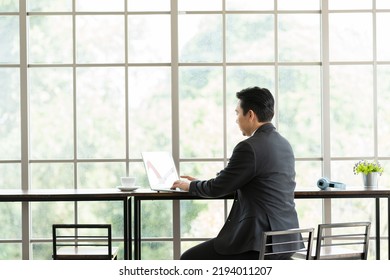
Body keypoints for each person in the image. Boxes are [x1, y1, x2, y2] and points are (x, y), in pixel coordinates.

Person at [172, 86, 302, 260]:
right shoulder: (284, 144)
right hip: (286, 241)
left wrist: (191, 186)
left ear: (250, 115)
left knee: (189, 259)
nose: (236, 119)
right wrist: (201, 182)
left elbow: (218, 188)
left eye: (237, 113)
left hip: (259, 243)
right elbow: (244, 180)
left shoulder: (249, 147)